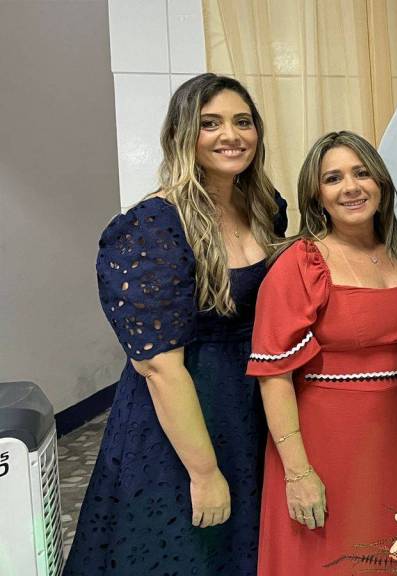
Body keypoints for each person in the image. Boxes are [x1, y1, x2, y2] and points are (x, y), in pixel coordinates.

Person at [65, 73, 287, 575]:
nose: (231, 135)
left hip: (249, 407)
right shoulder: (153, 226)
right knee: (188, 549)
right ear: (182, 134)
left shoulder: (263, 208)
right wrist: (203, 472)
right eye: (211, 123)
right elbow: (159, 367)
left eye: (243, 121)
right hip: (180, 417)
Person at [247, 131, 397, 574]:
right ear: (317, 196)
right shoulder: (300, 262)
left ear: (380, 183)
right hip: (323, 446)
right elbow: (273, 376)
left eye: (361, 173)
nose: (351, 187)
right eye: (333, 178)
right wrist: (298, 473)